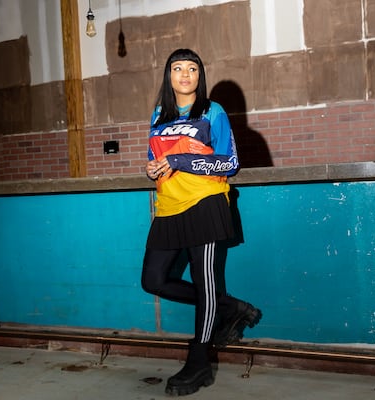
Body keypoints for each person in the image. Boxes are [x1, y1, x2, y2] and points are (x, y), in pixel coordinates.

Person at [141, 48, 262, 396]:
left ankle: (199, 363)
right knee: (154, 280)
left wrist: (179, 159)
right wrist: (152, 169)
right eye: (177, 68)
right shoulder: (158, 115)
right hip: (168, 206)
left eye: (192, 68)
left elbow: (230, 163)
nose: (184, 74)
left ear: (199, 75)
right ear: (168, 76)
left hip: (206, 203)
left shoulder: (213, 111)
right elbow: (155, 160)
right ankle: (232, 308)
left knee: (203, 278)